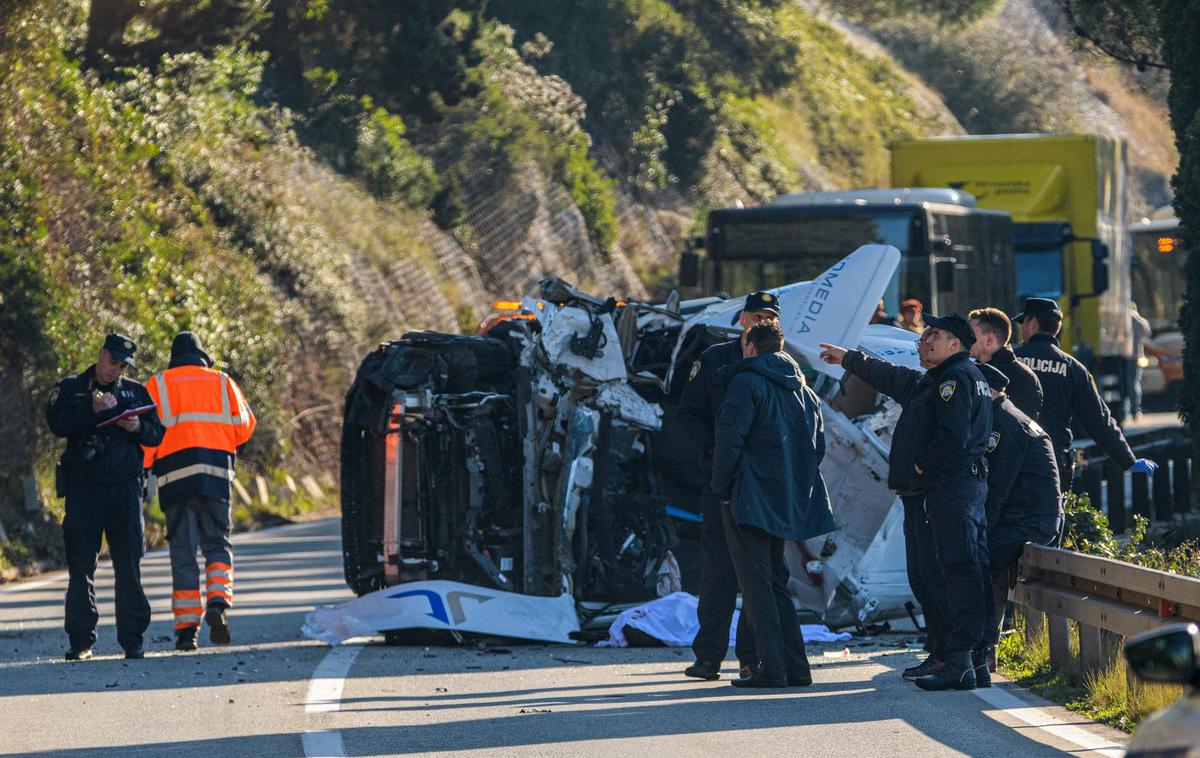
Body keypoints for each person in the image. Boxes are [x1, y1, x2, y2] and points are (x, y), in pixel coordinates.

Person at [820, 313, 992, 691]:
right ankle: (950, 655)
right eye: (925, 332)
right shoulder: (934, 380)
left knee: (950, 573)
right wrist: (849, 358)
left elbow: (955, 439)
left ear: (955, 345)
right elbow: (892, 377)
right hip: (934, 494)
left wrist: (919, 465)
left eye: (936, 334)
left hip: (945, 492)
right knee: (929, 575)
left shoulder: (956, 379)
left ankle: (961, 659)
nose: (925, 338)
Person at [712, 321, 834, 688]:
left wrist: (722, 488)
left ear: (750, 347)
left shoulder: (745, 383)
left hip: (748, 496)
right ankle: (797, 668)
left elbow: (729, 441)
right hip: (786, 498)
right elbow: (819, 449)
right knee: (777, 582)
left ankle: (772, 669)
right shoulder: (805, 391)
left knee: (756, 585)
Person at [677, 292, 779, 680]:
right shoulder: (715, 359)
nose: (759, 321)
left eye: (768, 316)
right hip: (721, 478)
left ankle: (752, 658)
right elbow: (689, 413)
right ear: (742, 319)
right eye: (756, 315)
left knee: (757, 574)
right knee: (718, 571)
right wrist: (712, 451)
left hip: (762, 483)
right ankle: (708, 657)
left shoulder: (782, 364)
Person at [46, 333, 165, 660]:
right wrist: (91, 408)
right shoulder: (73, 388)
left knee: (129, 566)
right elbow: (57, 424)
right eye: (113, 362)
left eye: (122, 365)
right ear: (100, 354)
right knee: (81, 566)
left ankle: (133, 640)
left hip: (124, 489)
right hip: (84, 490)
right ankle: (81, 641)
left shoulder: (134, 391)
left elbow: (157, 433)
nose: (116, 369)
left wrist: (137, 427)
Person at [144, 332, 255, 651]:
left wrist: (149, 464)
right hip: (216, 474)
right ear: (203, 356)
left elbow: (146, 435)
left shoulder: (159, 384)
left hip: (176, 479)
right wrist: (222, 442)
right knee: (218, 544)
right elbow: (245, 426)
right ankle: (218, 603)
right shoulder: (222, 382)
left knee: (183, 554)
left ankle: (186, 630)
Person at [975, 362, 1062, 684]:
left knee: (979, 563)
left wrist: (982, 529)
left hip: (1030, 520)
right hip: (1029, 516)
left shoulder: (1005, 424)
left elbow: (999, 486)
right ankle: (985, 648)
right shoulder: (1007, 416)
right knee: (987, 562)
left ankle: (982, 649)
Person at [1012, 298, 1155, 490]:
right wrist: (1128, 461)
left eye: (1023, 323)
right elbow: (1099, 421)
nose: (1022, 329)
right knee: (1050, 518)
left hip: (1013, 463)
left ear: (1033, 323)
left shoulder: (1011, 361)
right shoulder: (1074, 369)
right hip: (1053, 461)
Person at [968, 307, 1042, 419]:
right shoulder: (971, 371)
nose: (966, 338)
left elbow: (1023, 426)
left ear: (989, 340)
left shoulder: (1022, 378)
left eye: (971, 334)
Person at [1128, 304, 1152, 420]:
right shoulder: (1140, 321)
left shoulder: (1126, 320)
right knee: (1135, 383)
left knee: (1128, 383)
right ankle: (1136, 409)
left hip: (1125, 356)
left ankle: (1129, 409)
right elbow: (1147, 332)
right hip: (1137, 356)